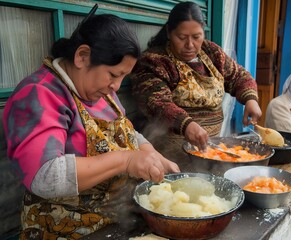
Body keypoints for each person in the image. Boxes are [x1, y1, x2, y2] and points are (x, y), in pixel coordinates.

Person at [2, 5, 179, 239]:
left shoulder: (101, 91)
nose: (116, 86)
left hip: (113, 221)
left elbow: (125, 130)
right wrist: (126, 160)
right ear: (82, 56)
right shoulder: (40, 94)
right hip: (65, 230)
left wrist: (149, 152)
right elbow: (44, 176)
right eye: (113, 75)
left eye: (123, 77)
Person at [130, 1, 261, 168]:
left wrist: (250, 99)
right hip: (170, 158)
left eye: (196, 37)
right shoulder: (154, 61)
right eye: (182, 37)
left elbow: (239, 76)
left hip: (210, 153)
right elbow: (157, 102)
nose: (190, 45)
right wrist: (186, 124)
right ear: (169, 32)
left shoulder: (211, 53)